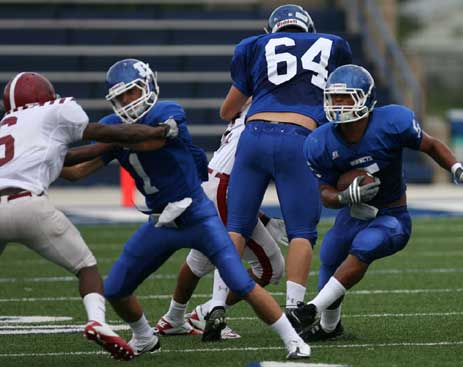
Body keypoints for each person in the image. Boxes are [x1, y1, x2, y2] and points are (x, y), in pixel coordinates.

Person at [61, 58, 311, 359]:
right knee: (115, 289)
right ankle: (145, 336)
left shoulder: (167, 111)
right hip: (161, 222)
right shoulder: (114, 129)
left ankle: (293, 340)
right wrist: (42, 158)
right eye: (121, 97)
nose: (128, 101)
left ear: (149, 87)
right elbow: (77, 169)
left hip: (197, 215)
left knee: (241, 281)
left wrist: (98, 133)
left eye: (133, 92)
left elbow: (145, 140)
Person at [286, 64, 463, 340]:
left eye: (346, 97)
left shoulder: (392, 122)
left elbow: (431, 145)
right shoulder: (319, 142)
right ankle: (330, 327)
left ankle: (310, 310)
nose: (338, 104)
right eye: (334, 97)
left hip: (392, 215)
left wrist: (459, 170)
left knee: (365, 246)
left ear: (366, 98)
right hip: (353, 214)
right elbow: (325, 194)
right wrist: (345, 196)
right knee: (331, 251)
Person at [0, 72, 179, 361]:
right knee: (86, 267)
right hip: (27, 204)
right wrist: (156, 132)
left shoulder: (6, 126)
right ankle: (97, 320)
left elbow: (65, 159)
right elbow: (105, 133)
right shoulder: (55, 110)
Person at [219, 4, 353, 321]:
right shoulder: (333, 44)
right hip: (300, 138)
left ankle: (216, 306)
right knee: (301, 232)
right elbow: (342, 97)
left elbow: (227, 112)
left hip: (254, 136)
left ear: (272, 32)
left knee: (235, 228)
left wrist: (261, 91)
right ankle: (293, 307)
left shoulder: (253, 46)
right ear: (308, 29)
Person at [154, 102, 288, 341]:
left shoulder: (254, 103)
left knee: (200, 258)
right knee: (269, 267)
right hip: (227, 185)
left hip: (213, 179)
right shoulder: (275, 105)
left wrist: (263, 218)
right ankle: (209, 311)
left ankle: (174, 318)